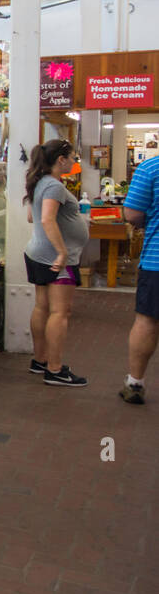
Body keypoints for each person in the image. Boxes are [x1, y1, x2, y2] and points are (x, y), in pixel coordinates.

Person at [24, 140, 89, 386]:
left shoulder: (40, 182)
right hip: (57, 258)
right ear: (61, 160)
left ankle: (40, 360)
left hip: (39, 253)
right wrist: (62, 252)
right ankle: (55, 369)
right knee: (60, 312)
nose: (75, 162)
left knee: (42, 307)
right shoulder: (53, 186)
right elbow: (46, 219)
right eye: (73, 157)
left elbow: (32, 217)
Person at [118, 147, 159, 404]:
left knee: (147, 321)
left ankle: (135, 383)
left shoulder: (151, 168)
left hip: (157, 261)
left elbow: (131, 213)